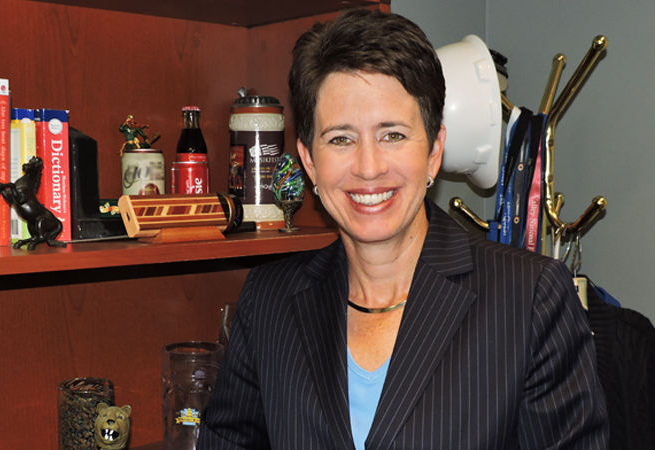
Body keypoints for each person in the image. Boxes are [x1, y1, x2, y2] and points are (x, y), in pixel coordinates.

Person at [197, 8, 608, 449]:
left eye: (392, 134)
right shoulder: (267, 302)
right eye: (340, 138)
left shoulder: (529, 298)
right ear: (309, 161)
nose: (368, 168)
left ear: (433, 151)